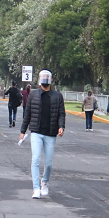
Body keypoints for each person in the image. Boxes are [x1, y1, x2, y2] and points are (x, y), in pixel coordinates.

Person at [20, 70, 66, 199]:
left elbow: (61, 113)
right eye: (43, 77)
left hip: (50, 133)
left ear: (51, 80)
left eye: (47, 77)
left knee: (49, 163)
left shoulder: (57, 96)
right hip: (36, 132)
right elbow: (27, 114)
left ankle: (44, 182)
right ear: (40, 80)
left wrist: (61, 126)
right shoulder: (33, 95)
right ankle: (36, 188)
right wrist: (22, 132)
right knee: (35, 159)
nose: (45, 80)